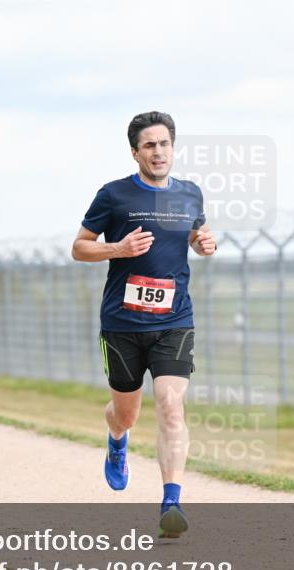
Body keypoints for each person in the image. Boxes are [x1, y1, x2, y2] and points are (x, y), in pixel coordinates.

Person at [71, 111, 216, 538]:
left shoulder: (190, 195)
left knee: (171, 405)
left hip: (175, 319)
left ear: (173, 148)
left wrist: (204, 242)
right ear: (135, 152)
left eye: (164, 143)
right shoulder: (113, 195)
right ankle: (117, 441)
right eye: (149, 145)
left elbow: (195, 234)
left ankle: (171, 502)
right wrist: (119, 247)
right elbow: (80, 248)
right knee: (127, 413)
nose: (158, 151)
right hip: (122, 323)